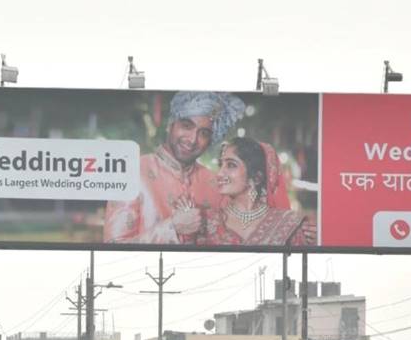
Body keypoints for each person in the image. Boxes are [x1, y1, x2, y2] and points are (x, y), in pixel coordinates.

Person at [104, 91, 246, 245]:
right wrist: (172, 228)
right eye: (187, 126)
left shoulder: (216, 184)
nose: (192, 140)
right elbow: (113, 247)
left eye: (204, 133)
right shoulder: (132, 171)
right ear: (170, 125)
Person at [201, 137, 315, 247]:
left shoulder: (288, 224)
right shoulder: (206, 222)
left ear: (256, 178)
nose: (220, 173)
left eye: (231, 165)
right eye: (220, 165)